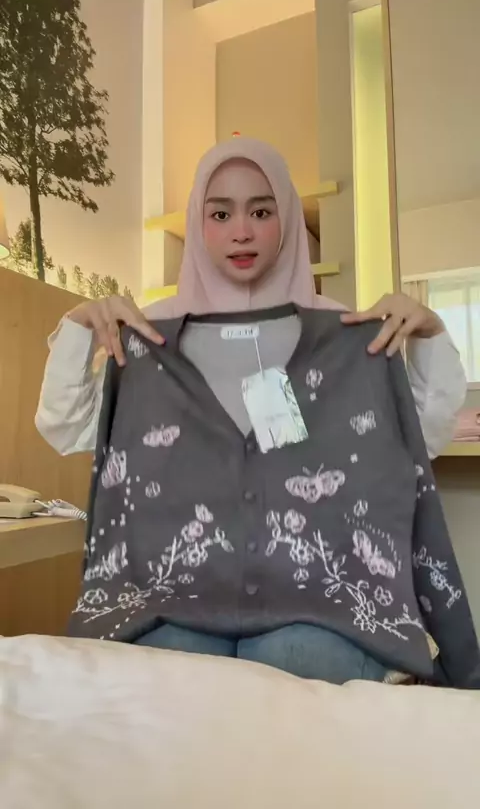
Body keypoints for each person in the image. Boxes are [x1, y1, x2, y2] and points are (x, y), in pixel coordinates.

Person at [36, 138, 473, 686]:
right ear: (198, 223)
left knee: (302, 656)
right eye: (220, 214)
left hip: (316, 607)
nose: (241, 231)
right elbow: (69, 426)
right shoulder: (149, 338)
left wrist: (428, 334)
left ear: (286, 219)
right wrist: (80, 325)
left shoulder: (345, 334)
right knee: (168, 664)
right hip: (174, 603)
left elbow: (417, 439)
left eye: (261, 212)